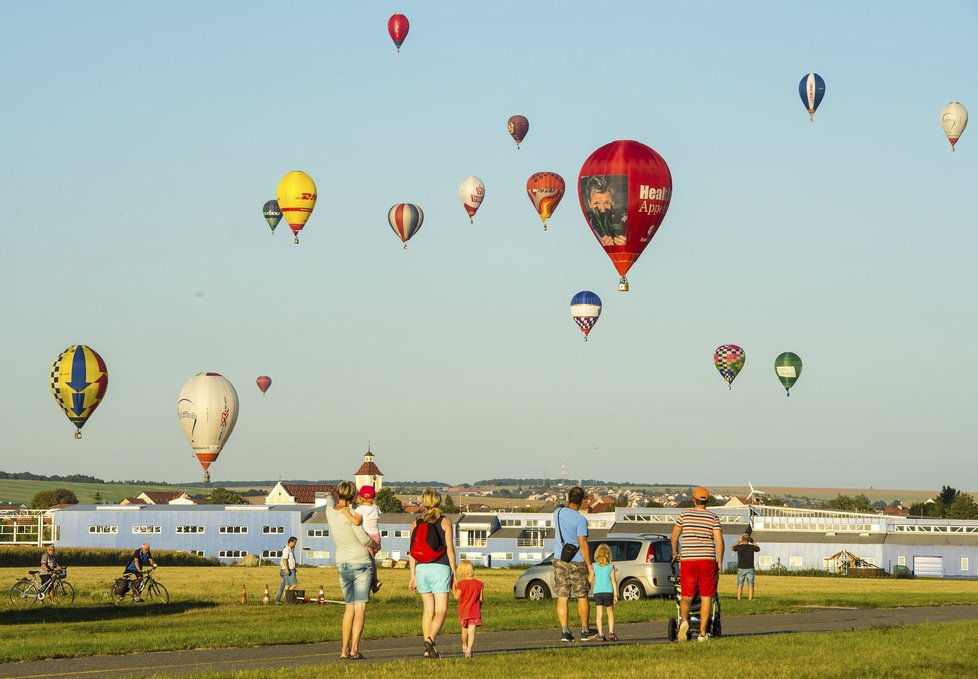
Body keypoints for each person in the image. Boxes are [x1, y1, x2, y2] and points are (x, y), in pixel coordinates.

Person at [325, 481, 380, 660]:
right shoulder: (351, 515)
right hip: (361, 562)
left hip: (343, 563)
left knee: (349, 608)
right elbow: (364, 539)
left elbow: (328, 501)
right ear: (353, 497)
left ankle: (343, 650)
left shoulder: (329, 512)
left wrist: (329, 496)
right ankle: (355, 649)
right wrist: (376, 545)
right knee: (360, 608)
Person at [408, 488, 457, 659]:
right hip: (440, 567)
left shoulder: (416, 522)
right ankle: (430, 640)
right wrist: (454, 572)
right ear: (438, 501)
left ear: (423, 502)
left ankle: (427, 649)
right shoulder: (445, 522)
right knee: (441, 609)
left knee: (428, 609)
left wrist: (412, 575)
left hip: (421, 569)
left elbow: (412, 551)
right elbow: (450, 549)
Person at [671, 487, 723, 642]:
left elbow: (674, 537)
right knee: (706, 596)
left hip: (688, 559)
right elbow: (719, 541)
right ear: (707, 501)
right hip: (707, 559)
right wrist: (719, 560)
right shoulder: (713, 517)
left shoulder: (684, 515)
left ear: (694, 500)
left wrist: (675, 553)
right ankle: (702, 634)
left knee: (686, 595)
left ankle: (685, 621)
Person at [553, 486, 594, 642]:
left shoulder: (558, 513)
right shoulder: (580, 520)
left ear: (569, 498)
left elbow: (558, 506)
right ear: (582, 501)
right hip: (576, 561)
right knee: (582, 595)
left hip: (559, 560)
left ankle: (565, 631)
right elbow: (583, 544)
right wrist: (589, 564)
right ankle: (585, 630)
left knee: (562, 596)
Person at [339, 485, 382, 593]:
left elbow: (356, 522)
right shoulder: (376, 508)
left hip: (366, 537)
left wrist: (347, 513)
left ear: (360, 497)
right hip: (376, 537)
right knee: (372, 561)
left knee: (366, 562)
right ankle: (375, 581)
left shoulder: (359, 509)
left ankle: (369, 582)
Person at [452, 559, 484, 658]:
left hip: (463, 611)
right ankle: (469, 650)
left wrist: (453, 588)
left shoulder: (461, 584)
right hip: (475, 611)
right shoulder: (479, 584)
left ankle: (465, 645)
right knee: (472, 631)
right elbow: (481, 599)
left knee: (464, 630)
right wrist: (478, 606)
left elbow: (456, 596)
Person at [583, 175, 627, 246]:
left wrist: (627, 246)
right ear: (589, 203)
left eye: (607, 202)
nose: (603, 210)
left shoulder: (626, 223)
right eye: (596, 203)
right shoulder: (582, 230)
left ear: (613, 201)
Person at [592, 543, 619, 642]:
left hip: (597, 592)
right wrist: (615, 594)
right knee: (610, 613)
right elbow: (613, 580)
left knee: (599, 614)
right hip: (608, 591)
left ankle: (600, 634)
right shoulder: (611, 566)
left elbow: (591, 579)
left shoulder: (593, 566)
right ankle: (611, 632)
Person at [732, 533, 761, 600]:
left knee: (740, 584)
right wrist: (753, 541)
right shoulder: (752, 547)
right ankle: (750, 599)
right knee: (750, 584)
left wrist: (738, 541)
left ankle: (739, 599)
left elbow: (732, 547)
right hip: (750, 567)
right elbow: (758, 548)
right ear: (749, 539)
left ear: (742, 539)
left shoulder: (739, 547)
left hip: (741, 567)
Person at [276, 536, 298, 603]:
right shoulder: (286, 549)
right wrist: (287, 569)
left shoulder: (290, 549)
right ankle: (288, 599)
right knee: (294, 584)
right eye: (294, 543)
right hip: (288, 570)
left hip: (290, 569)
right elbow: (285, 560)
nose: (295, 544)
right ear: (290, 542)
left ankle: (279, 600)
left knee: (286, 586)